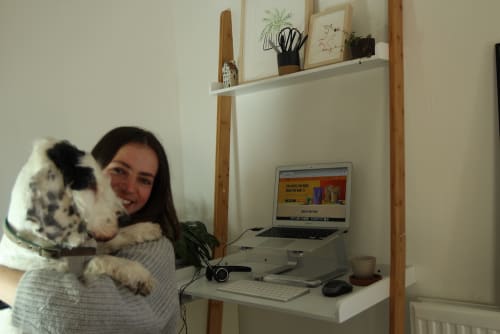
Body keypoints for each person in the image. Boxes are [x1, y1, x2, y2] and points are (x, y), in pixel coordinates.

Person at [0, 126, 181, 333]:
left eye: (144, 180)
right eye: (119, 170)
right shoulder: (62, 226)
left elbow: (82, 313)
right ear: (97, 167)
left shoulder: (157, 249)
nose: (129, 187)